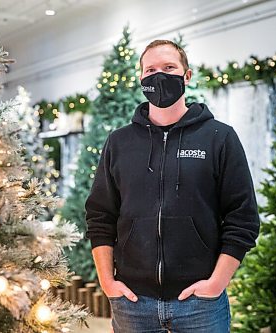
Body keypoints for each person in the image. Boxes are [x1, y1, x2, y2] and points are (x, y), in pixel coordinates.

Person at [85, 40, 260, 333]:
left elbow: (243, 218)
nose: (159, 76)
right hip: (132, 302)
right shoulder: (119, 142)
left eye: (169, 68)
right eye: (150, 70)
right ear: (141, 79)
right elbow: (100, 215)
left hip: (200, 303)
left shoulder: (219, 138)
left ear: (186, 76)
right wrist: (107, 282)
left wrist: (217, 282)